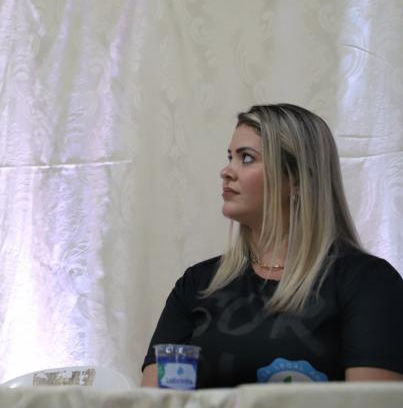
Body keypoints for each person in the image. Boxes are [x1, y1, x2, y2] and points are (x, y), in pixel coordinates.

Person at [141, 104, 403, 387]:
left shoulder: (367, 282)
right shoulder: (198, 283)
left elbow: (372, 401)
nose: (226, 171)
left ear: (299, 179)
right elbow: (155, 399)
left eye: (247, 158)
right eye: (230, 157)